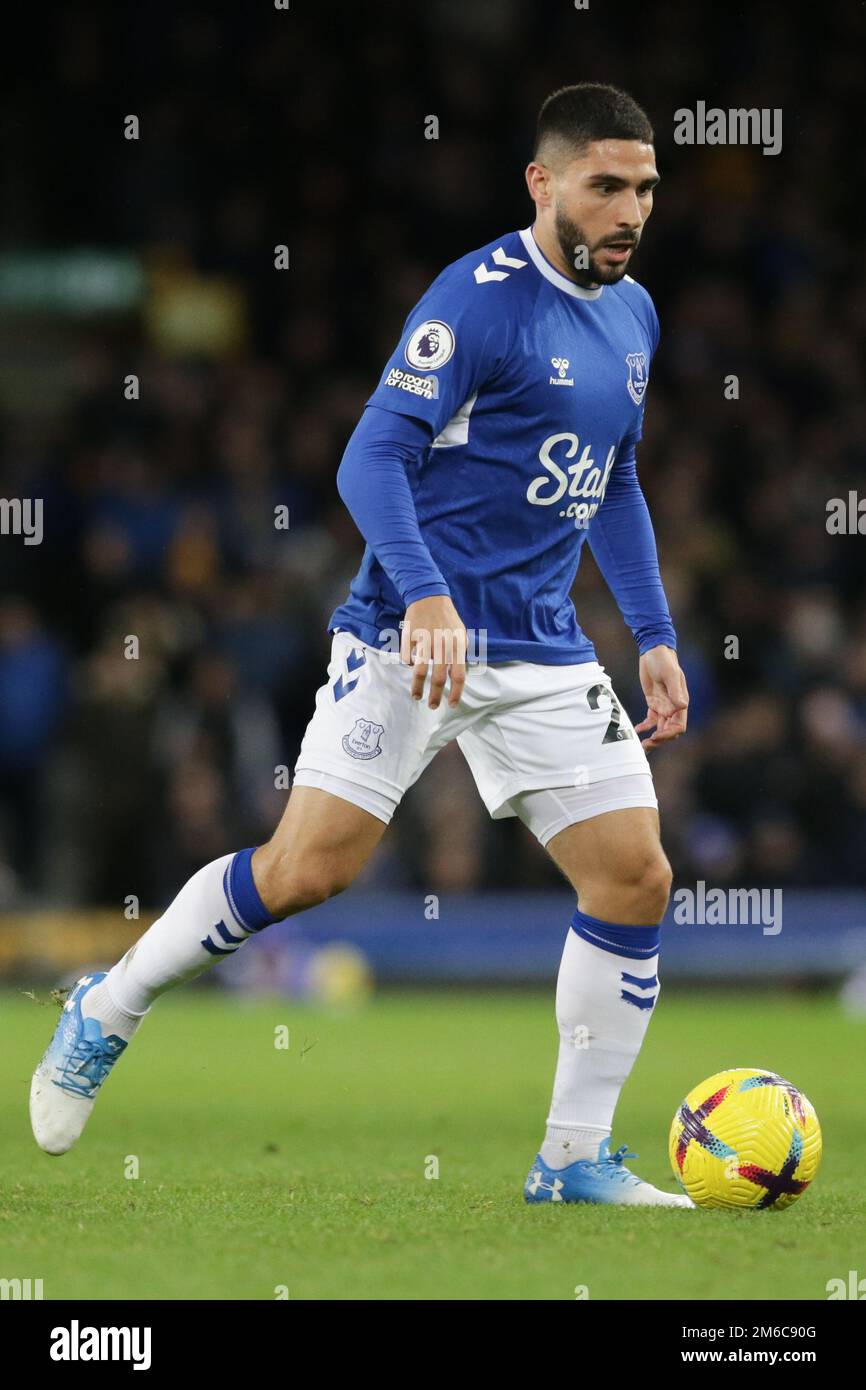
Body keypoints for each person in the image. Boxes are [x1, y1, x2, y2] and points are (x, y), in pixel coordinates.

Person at [31, 82, 691, 1207]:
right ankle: (111, 1005)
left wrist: (654, 632)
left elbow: (615, 479)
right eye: (604, 186)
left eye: (642, 189)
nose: (628, 210)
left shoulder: (632, 315)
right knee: (306, 872)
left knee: (633, 876)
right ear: (544, 184)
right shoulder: (475, 302)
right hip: (405, 638)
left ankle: (572, 1156)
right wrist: (427, 596)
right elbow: (366, 459)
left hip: (538, 648)